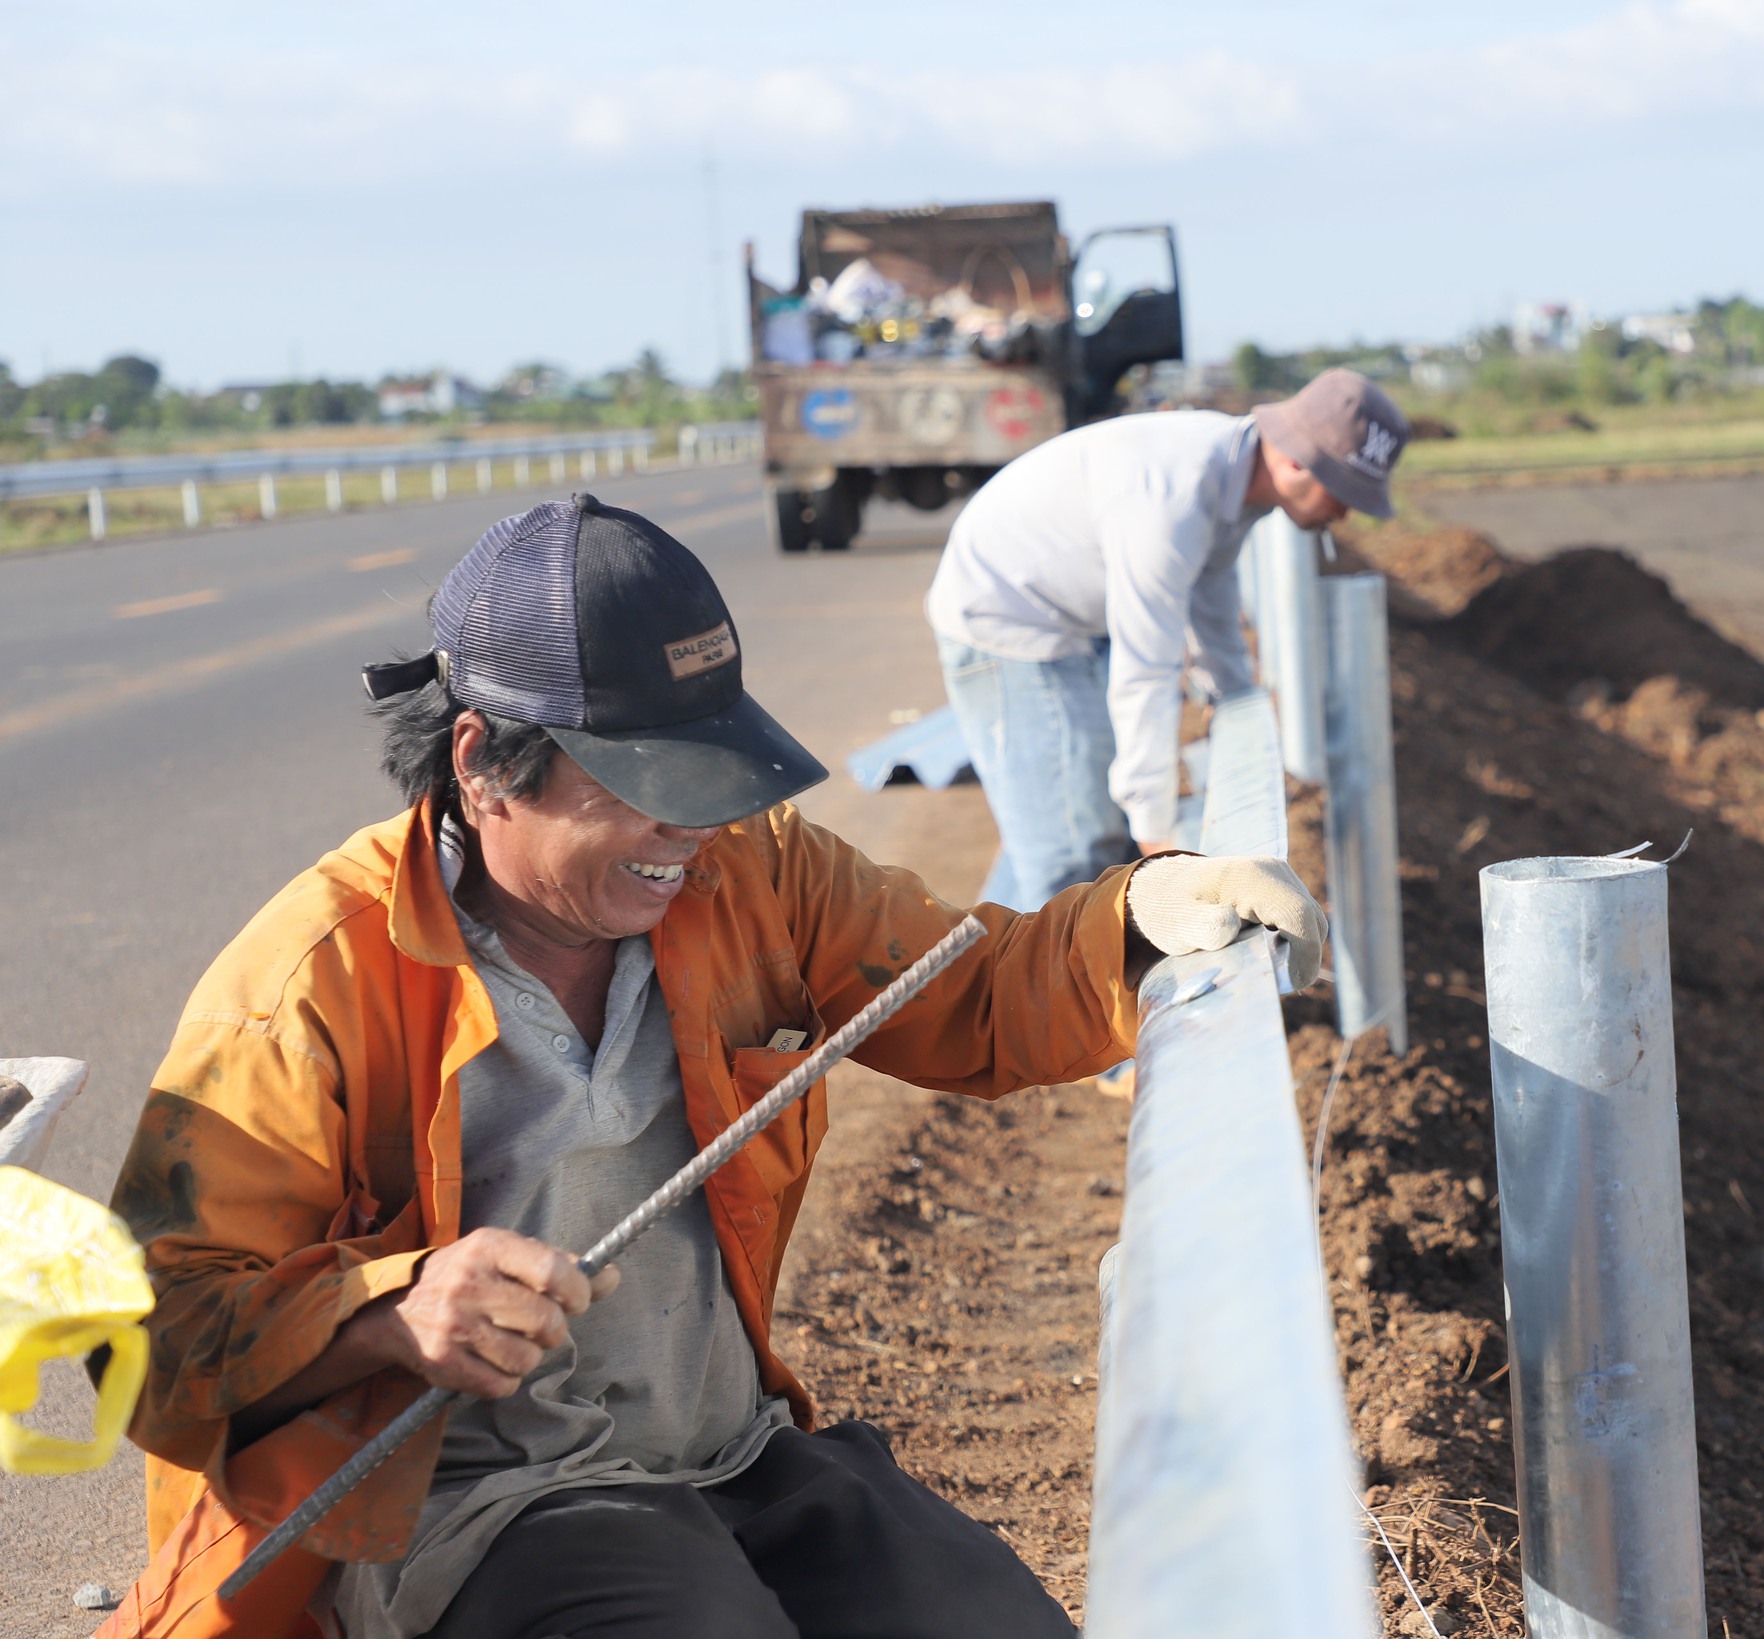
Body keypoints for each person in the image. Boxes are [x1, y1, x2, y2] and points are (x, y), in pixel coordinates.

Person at [101, 494, 1324, 1639]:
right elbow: (141, 1337)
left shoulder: (747, 875)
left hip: (722, 1452)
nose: (689, 829)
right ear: (482, 762)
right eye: (647, 787)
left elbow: (972, 991)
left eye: (710, 776)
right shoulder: (307, 985)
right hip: (460, 1507)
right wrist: (386, 1313)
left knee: (983, 1614)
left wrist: (1136, 920)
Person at [926, 367, 1409, 909]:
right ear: (1296, 460)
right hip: (1008, 620)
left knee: (1077, 815)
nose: (1343, 512)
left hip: (1069, 617)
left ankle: (1027, 972)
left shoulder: (1237, 473)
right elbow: (1147, 669)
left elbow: (1213, 590)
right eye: (1342, 491)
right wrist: (1157, 838)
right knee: (1073, 853)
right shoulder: (1173, 497)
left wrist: (1236, 698)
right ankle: (1032, 988)